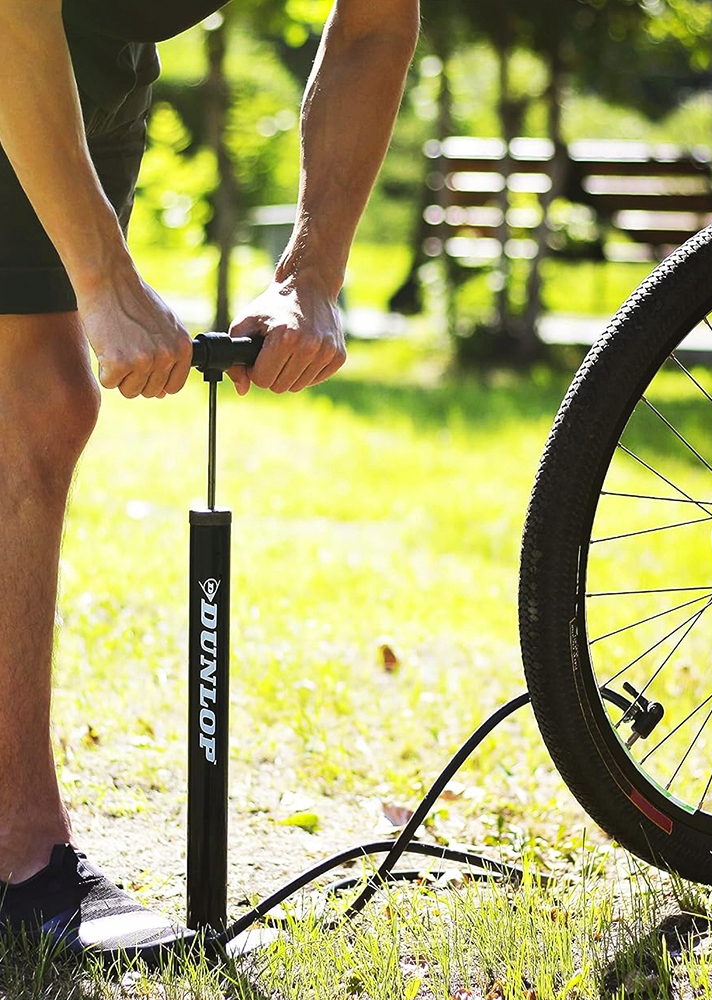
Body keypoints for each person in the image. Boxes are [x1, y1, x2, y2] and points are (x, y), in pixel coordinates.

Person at [0, 0, 419, 955]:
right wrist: (104, 278)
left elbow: (374, 26)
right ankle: (17, 851)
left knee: (36, 402)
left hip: (97, 46)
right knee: (40, 398)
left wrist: (313, 272)